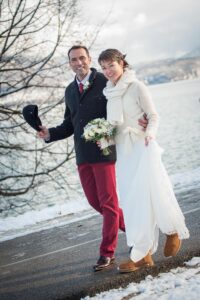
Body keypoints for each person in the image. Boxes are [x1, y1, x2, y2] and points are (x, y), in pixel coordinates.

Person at [38, 45, 148, 272]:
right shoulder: (69, 90)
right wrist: (49, 134)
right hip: (82, 155)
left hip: (104, 150)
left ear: (89, 59)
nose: (78, 63)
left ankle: (107, 253)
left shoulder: (104, 81)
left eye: (82, 58)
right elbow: (69, 124)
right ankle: (138, 232)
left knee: (108, 203)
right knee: (95, 202)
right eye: (73, 60)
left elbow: (126, 103)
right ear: (69, 63)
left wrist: (142, 120)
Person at [98, 48, 190, 273]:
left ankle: (171, 231)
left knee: (154, 191)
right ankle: (143, 253)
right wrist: (103, 137)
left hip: (142, 146)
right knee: (131, 201)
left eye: (111, 65)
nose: (108, 71)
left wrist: (150, 133)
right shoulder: (109, 93)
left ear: (122, 63)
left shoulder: (136, 86)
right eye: (104, 67)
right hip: (124, 153)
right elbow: (115, 125)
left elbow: (153, 116)